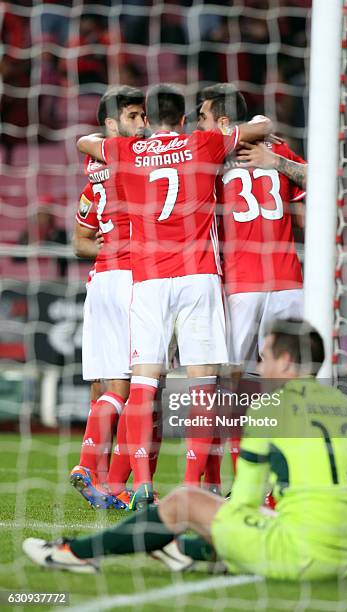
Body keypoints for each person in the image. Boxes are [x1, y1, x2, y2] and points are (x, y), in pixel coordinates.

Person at [23, 319, 347, 580]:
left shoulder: (271, 408)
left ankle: (74, 552)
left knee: (184, 501)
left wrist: (202, 520)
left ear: (286, 361)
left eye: (265, 356)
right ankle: (175, 548)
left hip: (305, 557)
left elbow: (244, 502)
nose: (259, 366)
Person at [75, 84, 273, 506]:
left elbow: (85, 143)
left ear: (147, 118)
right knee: (203, 385)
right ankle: (191, 482)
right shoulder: (202, 143)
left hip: (146, 280)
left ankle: (141, 482)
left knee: (143, 384)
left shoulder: (126, 152)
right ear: (183, 120)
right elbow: (262, 126)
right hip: (198, 276)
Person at [197, 83, 307, 471]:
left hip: (242, 283)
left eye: (203, 118)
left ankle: (242, 473)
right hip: (288, 280)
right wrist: (274, 160)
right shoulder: (275, 147)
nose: (199, 126)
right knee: (288, 380)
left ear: (222, 121)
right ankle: (287, 474)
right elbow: (318, 181)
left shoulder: (208, 156)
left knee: (229, 380)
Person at [70, 85, 150, 510]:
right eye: (135, 116)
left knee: (107, 387)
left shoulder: (94, 167)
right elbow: (78, 239)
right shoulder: (134, 158)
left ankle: (104, 480)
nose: (143, 124)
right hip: (128, 281)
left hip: (101, 280)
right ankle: (94, 470)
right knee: (133, 387)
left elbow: (81, 239)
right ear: (111, 124)